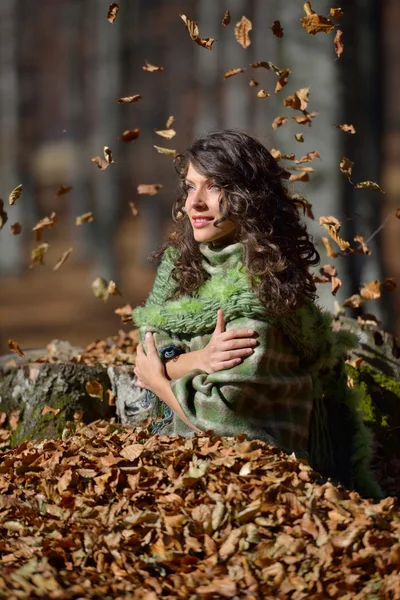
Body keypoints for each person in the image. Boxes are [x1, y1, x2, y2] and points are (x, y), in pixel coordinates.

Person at [132, 130, 382, 499]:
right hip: (188, 472)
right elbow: (146, 351)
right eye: (189, 187)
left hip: (262, 484)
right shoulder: (181, 265)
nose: (194, 204)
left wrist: (160, 383)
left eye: (214, 186)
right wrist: (198, 360)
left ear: (251, 197)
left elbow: (223, 423)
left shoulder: (260, 290)